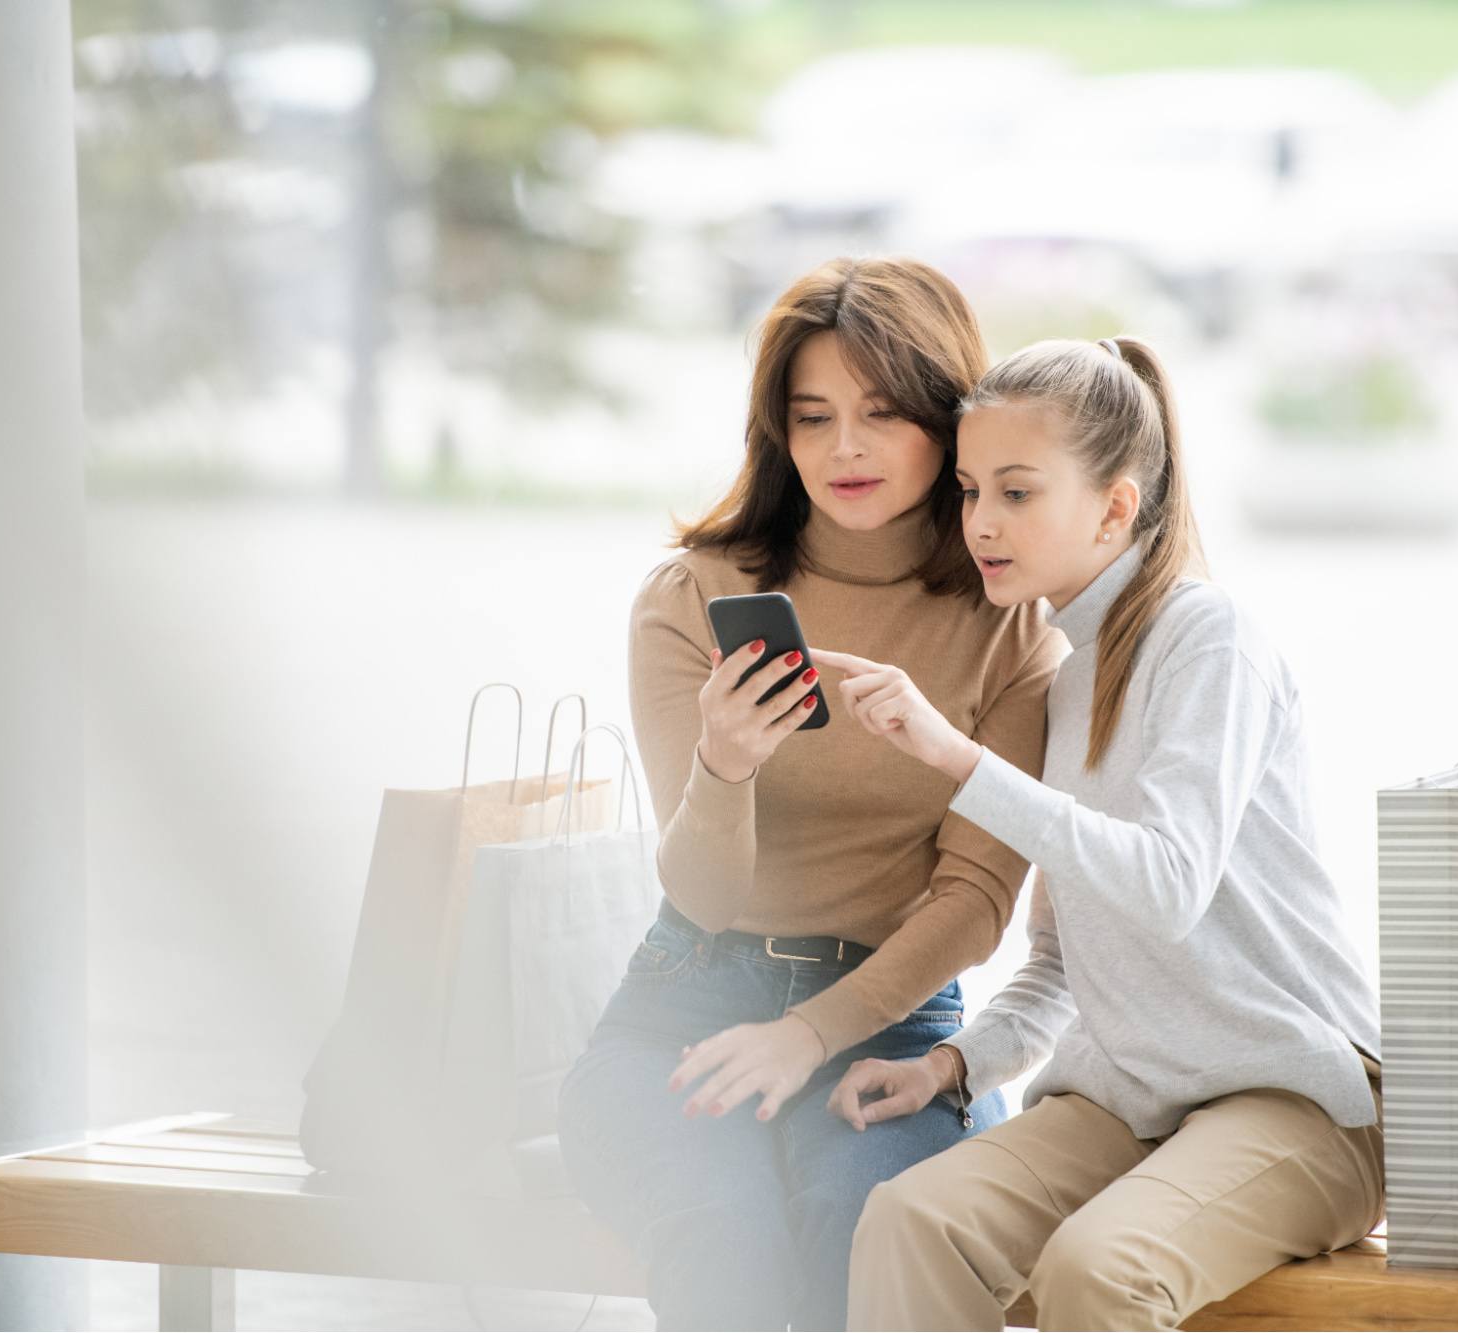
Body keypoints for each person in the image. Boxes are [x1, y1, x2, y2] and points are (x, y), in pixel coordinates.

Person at [817, 335, 1385, 1331]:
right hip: (1133, 1101)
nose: (980, 522)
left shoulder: (1210, 642)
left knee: (1097, 1270)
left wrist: (958, 758)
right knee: (909, 1218)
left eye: (1016, 492)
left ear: (1115, 506)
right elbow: (1063, 957)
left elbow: (1166, 884)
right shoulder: (1069, 675)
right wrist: (953, 1064)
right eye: (967, 490)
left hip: (1296, 1104)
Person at [556, 257, 1066, 1331]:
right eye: (812, 415)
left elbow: (976, 903)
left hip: (891, 1022)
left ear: (946, 419)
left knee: (865, 1228)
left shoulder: (1010, 624)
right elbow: (696, 888)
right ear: (774, 430)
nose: (844, 448)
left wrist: (810, 1033)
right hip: (688, 1000)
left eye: (883, 413)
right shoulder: (694, 593)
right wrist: (724, 767)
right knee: (720, 1237)